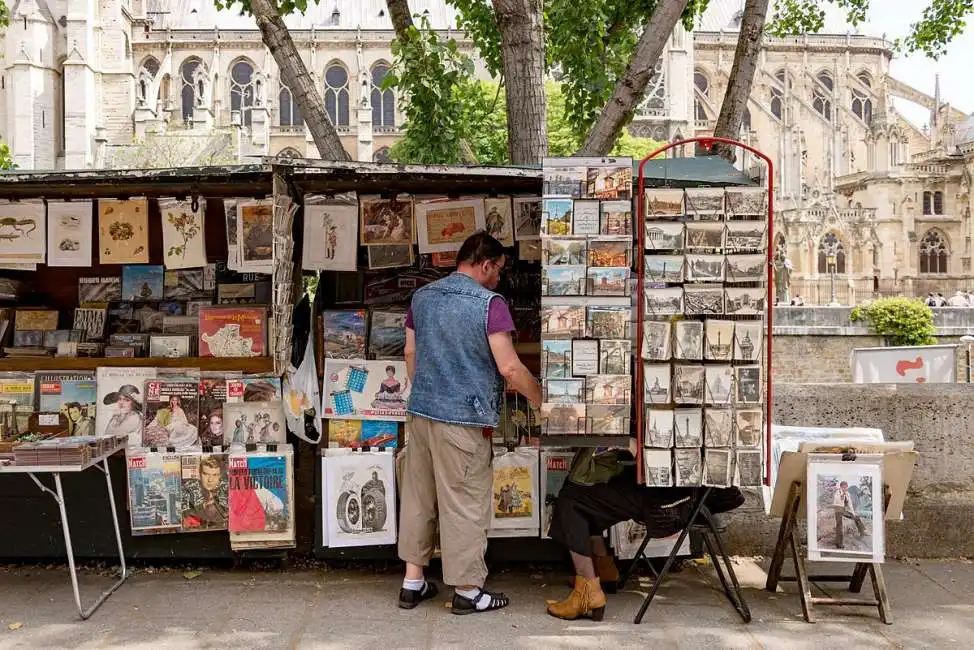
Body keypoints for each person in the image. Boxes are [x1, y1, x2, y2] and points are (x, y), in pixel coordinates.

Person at [397, 231, 542, 615]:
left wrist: (426, 389)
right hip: (463, 419)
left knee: (418, 496)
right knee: (463, 503)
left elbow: (410, 352)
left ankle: (413, 582)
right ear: (485, 264)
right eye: (498, 271)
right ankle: (467, 590)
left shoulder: (422, 297)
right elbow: (509, 367)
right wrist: (543, 400)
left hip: (421, 412)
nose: (499, 279)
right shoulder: (490, 304)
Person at [545, 444, 745, 620]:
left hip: (666, 497)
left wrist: (631, 443)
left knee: (571, 500)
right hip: (665, 489)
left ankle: (588, 592)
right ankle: (601, 569)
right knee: (576, 489)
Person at [181, 455, 228, 530]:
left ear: (220, 476)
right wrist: (202, 507)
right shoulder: (189, 488)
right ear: (200, 474)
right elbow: (184, 514)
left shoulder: (226, 488)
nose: (210, 480)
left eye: (215, 475)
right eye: (206, 474)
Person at [832, 480, 866, 547]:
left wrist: (853, 513)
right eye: (843, 487)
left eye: (846, 487)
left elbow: (850, 504)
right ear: (841, 487)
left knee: (856, 517)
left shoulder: (848, 494)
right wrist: (842, 494)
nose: (845, 488)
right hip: (838, 509)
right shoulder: (837, 493)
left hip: (844, 510)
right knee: (839, 525)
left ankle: (862, 531)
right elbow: (837, 501)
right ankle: (839, 543)